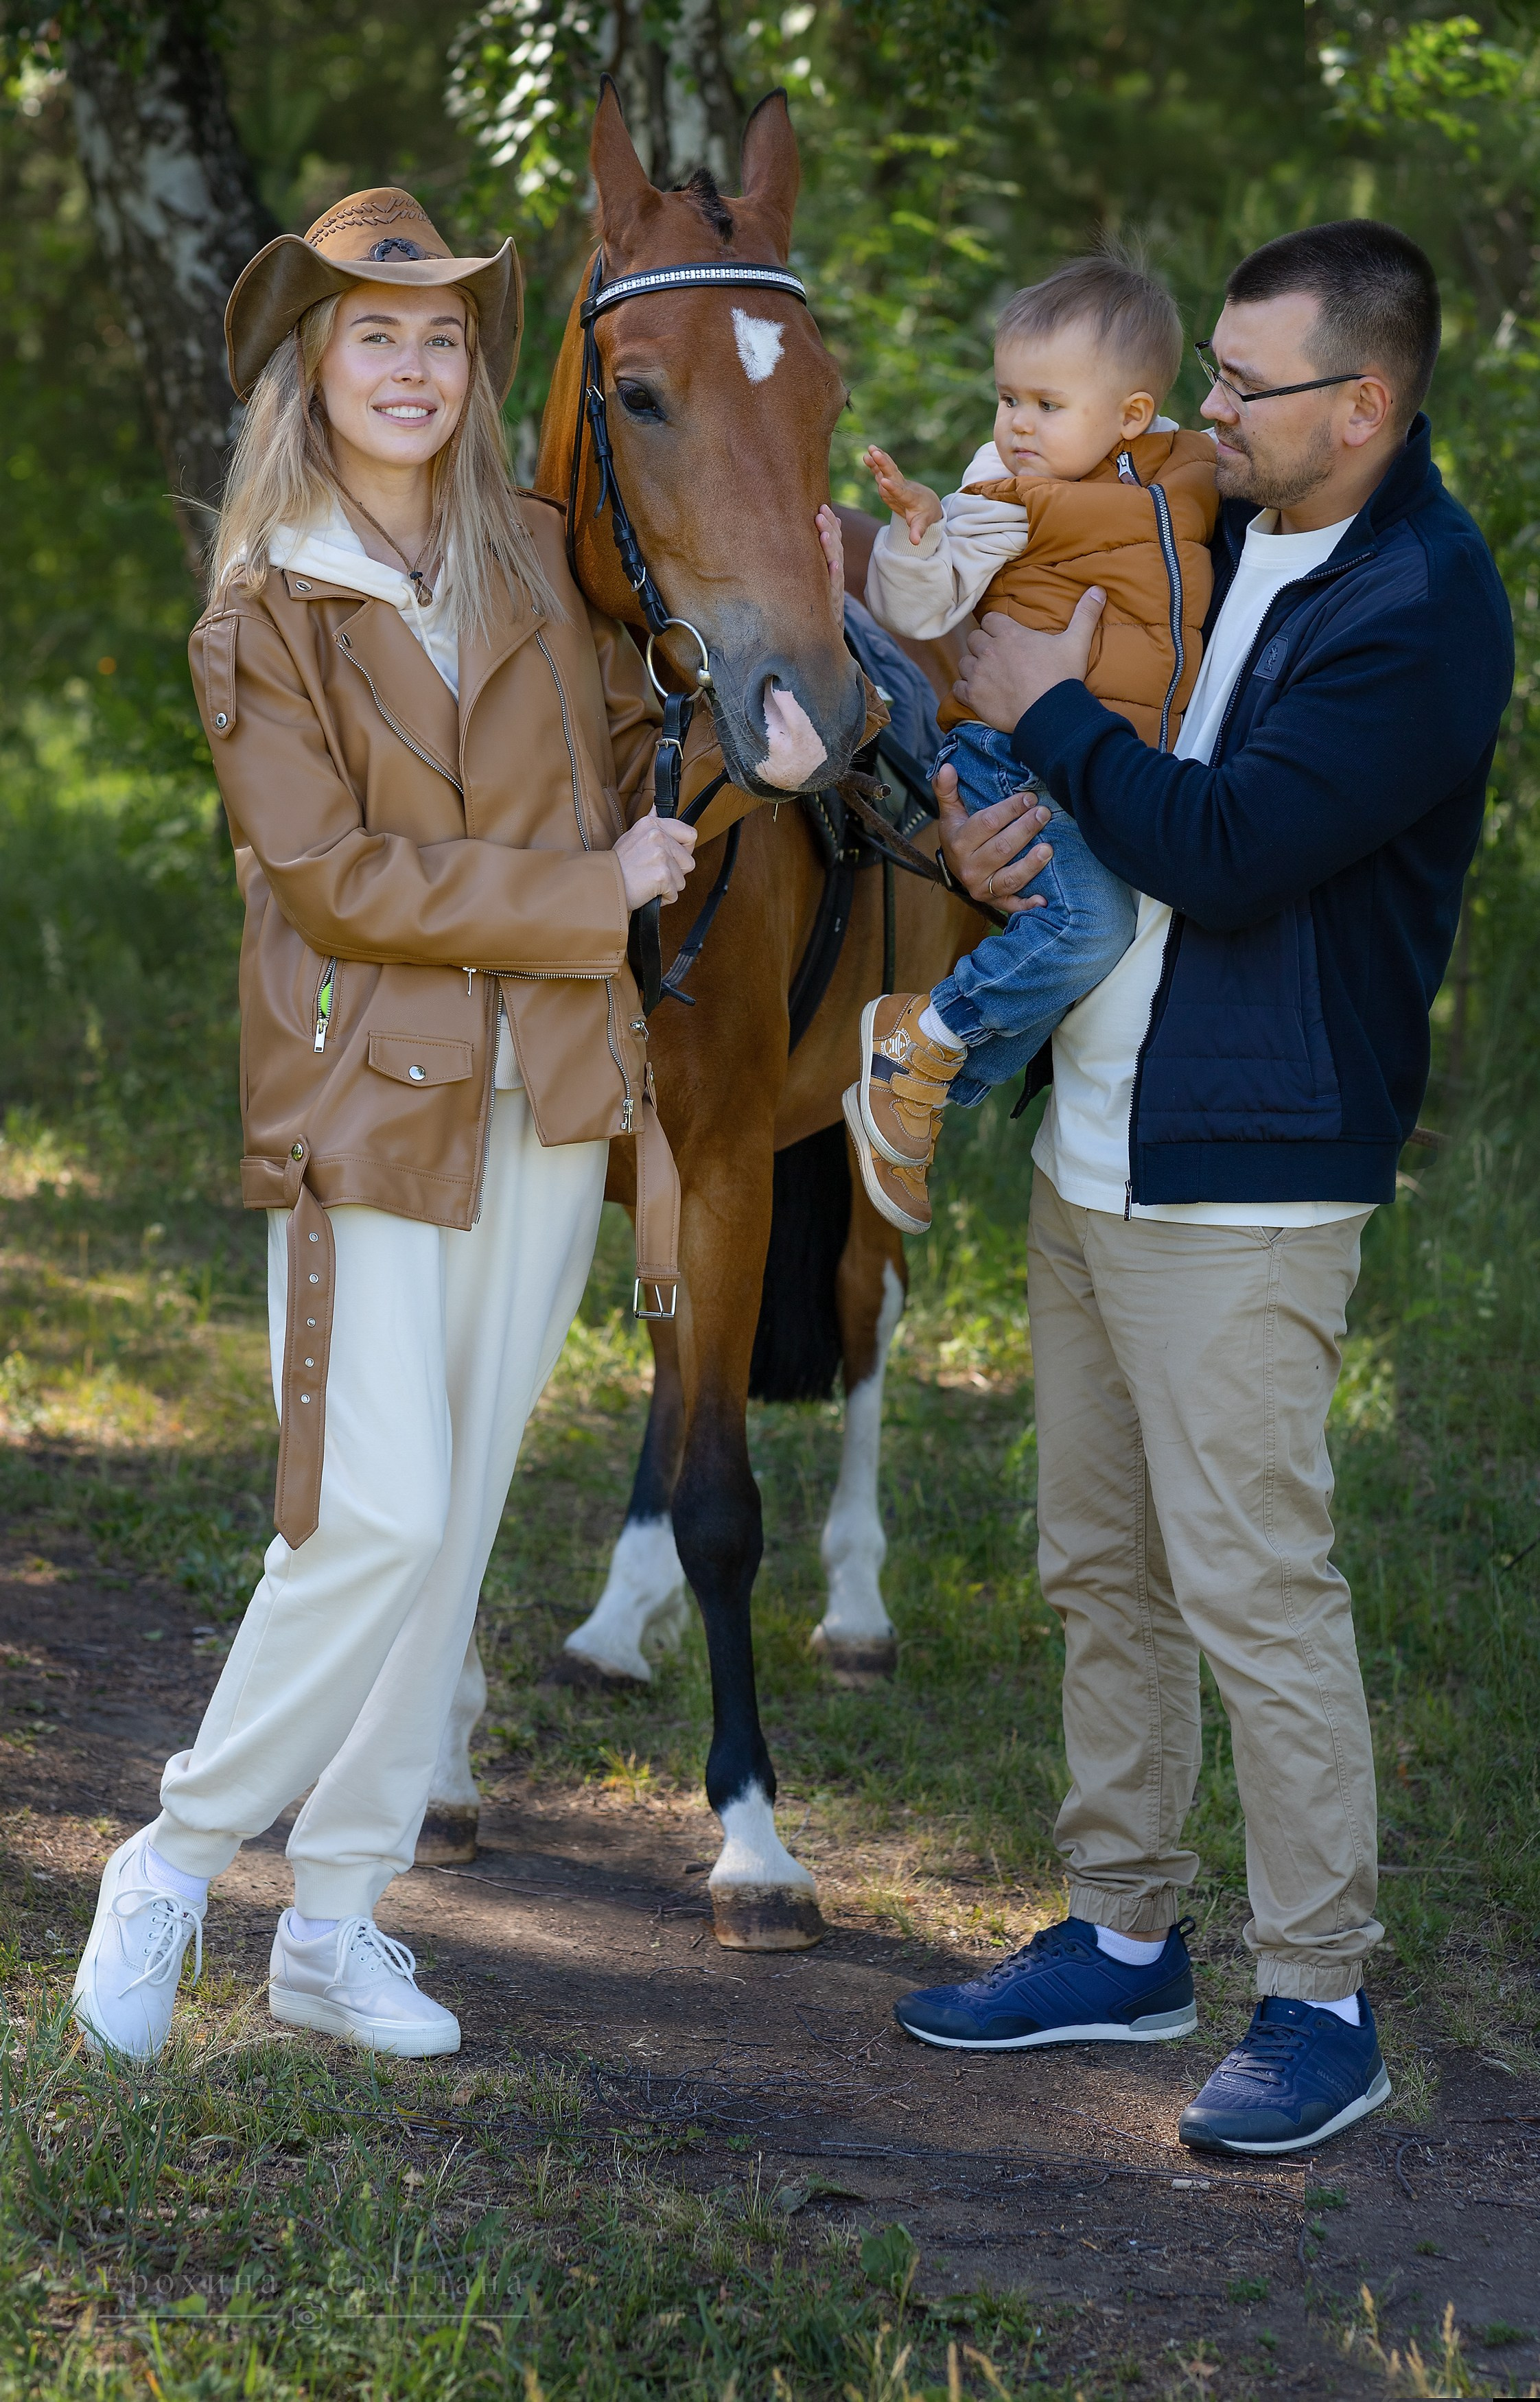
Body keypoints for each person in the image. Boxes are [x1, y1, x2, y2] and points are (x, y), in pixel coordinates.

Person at [70, 186, 786, 2063]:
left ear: (476, 371)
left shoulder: (543, 560)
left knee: (455, 1521)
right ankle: (173, 1847)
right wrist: (592, 892)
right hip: (366, 1100)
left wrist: (764, 732)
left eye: (442, 335)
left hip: (546, 1096)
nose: (410, 365)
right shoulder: (265, 609)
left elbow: (652, 736)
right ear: (311, 368)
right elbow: (329, 875)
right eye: (374, 333)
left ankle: (335, 1917)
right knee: (364, 1509)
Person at [891, 220, 1513, 2156]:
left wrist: (1040, 703)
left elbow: (1233, 847)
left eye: (1250, 389)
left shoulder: (1420, 601)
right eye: (1212, 378)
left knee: (1253, 1583)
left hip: (1249, 1170)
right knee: (1099, 1564)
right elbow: (1089, 764)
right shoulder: (1210, 521)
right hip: (1096, 1129)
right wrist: (981, 816)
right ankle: (1121, 1924)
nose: (1215, 413)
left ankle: (1318, 1992)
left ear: (1367, 403)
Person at [845, 254, 1217, 1235]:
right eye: (1008, 395)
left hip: (1109, 768)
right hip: (1016, 758)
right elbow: (921, 603)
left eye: (1047, 403)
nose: (1016, 422)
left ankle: (920, 1089)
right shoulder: (1003, 492)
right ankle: (918, 1039)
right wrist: (922, 539)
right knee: (1085, 932)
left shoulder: (1197, 476)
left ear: (1134, 417)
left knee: (1098, 946)